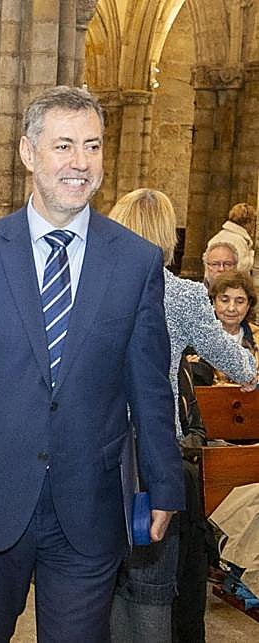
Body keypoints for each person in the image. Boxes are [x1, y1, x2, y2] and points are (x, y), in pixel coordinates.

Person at [0, 86, 184, 642]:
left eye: (92, 146)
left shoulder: (135, 262)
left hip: (90, 504)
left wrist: (163, 485)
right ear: (27, 153)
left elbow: (150, 387)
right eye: (64, 146)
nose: (79, 163)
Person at [106, 188, 256, 642]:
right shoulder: (184, 296)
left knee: (100, 578)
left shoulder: (94, 287)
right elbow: (244, 370)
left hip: (99, 444)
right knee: (152, 585)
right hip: (154, 447)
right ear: (168, 237)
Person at [203, 271, 259, 381]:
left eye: (240, 301)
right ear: (213, 302)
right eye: (225, 300)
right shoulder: (198, 337)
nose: (231, 308)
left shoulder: (256, 335)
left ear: (248, 305)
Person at [207, 202, 255, 277]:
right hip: (228, 284)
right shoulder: (237, 240)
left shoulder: (218, 236)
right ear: (247, 222)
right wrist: (252, 256)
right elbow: (240, 267)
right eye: (253, 221)